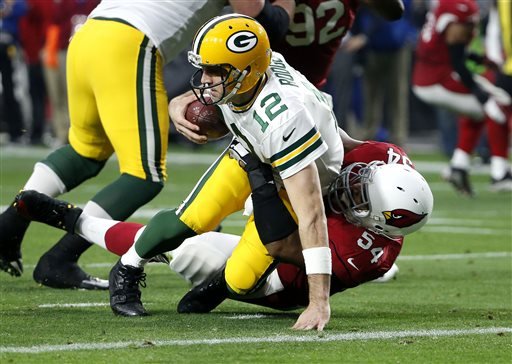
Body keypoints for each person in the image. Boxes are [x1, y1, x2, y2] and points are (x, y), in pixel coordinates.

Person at [0, 0, 295, 289]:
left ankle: (9, 225)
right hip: (130, 40)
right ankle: (60, 257)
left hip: (90, 33)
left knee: (85, 152)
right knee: (144, 176)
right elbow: (254, 19)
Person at [12, 140, 434, 322]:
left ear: (373, 223)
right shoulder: (386, 160)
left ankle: (65, 217)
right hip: (289, 226)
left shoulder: (369, 253)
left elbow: (282, 242)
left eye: (357, 198)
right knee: (178, 230)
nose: (348, 184)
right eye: (359, 178)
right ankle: (63, 216)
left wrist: (262, 182)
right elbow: (344, 144)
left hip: (278, 278)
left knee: (184, 252)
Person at [411, 0, 511, 196]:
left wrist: (480, 60)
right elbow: (456, 57)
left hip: (432, 74)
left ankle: (459, 166)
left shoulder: (450, 5)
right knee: (497, 105)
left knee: (479, 112)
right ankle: (499, 174)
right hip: (437, 79)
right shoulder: (460, 7)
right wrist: (479, 93)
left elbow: (452, 50)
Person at [0, 0, 27, 144]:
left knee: (11, 89)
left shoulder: (19, 4)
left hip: (9, 48)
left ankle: (15, 130)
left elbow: (22, 10)